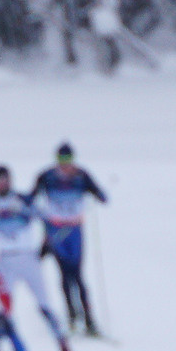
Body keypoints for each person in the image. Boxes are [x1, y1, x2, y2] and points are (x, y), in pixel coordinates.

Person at [0, 164, 80, 351]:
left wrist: (47, 241)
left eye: (5, 179)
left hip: (28, 257)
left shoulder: (23, 200)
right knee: (3, 308)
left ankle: (64, 347)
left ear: (10, 180)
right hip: (5, 260)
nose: (2, 183)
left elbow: (47, 219)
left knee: (44, 305)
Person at [27, 143, 107, 335]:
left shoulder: (81, 176)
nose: (65, 165)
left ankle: (89, 320)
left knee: (78, 275)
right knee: (64, 274)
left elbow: (101, 194)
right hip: (55, 231)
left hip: (74, 231)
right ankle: (71, 315)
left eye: (68, 160)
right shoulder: (47, 176)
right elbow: (30, 198)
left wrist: (97, 194)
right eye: (62, 160)